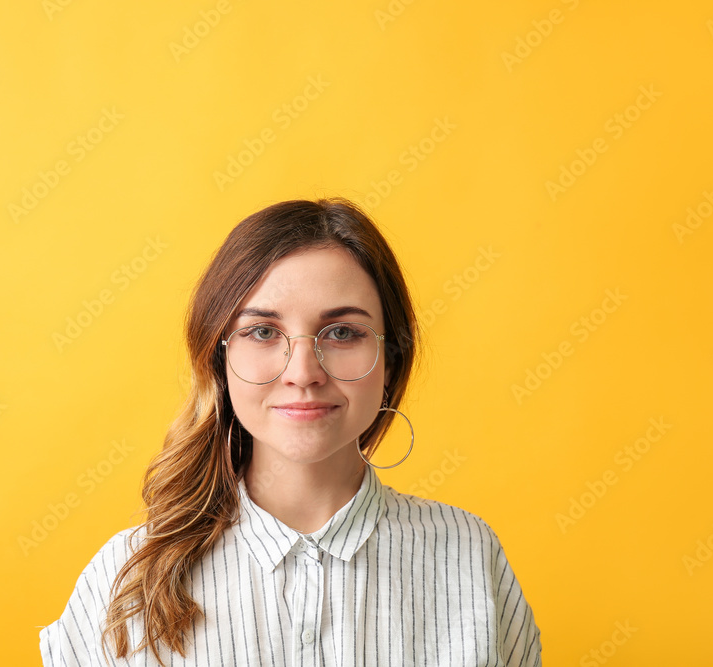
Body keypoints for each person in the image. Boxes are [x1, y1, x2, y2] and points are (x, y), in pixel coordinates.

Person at [39, 197, 542, 666]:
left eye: (342, 332)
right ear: (221, 358)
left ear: (390, 359)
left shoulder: (470, 555)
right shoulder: (124, 579)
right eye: (263, 332)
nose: (303, 371)